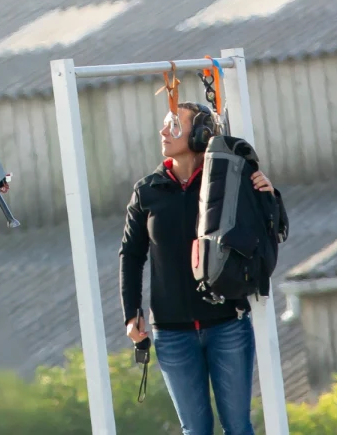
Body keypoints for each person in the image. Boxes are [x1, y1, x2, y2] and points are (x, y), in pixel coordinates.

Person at [118, 101, 281, 435]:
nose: (164, 132)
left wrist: (270, 195)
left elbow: (269, 230)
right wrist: (131, 312)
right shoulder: (147, 191)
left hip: (227, 324)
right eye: (164, 124)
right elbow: (131, 255)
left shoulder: (230, 181)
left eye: (175, 125)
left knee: (238, 426)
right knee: (196, 430)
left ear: (202, 133)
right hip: (171, 331)